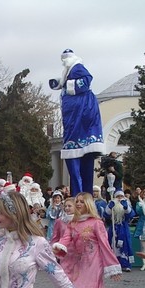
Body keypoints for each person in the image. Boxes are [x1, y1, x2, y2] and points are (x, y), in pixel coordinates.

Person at [52, 192, 121, 288]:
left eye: (81, 201)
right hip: (78, 264)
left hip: (94, 265)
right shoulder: (73, 223)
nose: (78, 203)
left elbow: (105, 245)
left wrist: (112, 267)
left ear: (88, 204)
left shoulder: (96, 223)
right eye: (77, 201)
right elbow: (65, 239)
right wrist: (57, 247)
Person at [49, 49, 104, 196]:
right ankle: (79, 194)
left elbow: (85, 81)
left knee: (80, 162)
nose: (64, 61)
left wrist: (67, 85)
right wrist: (60, 83)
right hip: (73, 113)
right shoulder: (69, 70)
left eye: (66, 58)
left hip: (80, 112)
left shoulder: (78, 67)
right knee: (75, 161)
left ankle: (81, 194)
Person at [104, 191, 135, 272]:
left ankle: (125, 264)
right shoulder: (112, 204)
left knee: (125, 245)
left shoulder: (127, 205)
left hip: (123, 228)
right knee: (112, 244)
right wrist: (109, 208)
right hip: (114, 228)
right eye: (118, 196)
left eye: (121, 196)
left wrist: (126, 208)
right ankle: (114, 263)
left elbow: (131, 215)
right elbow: (106, 215)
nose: (120, 198)